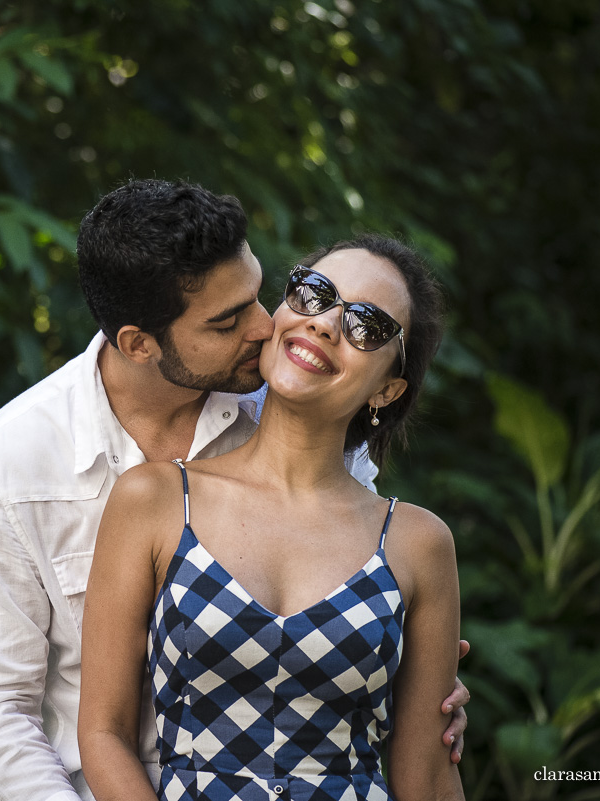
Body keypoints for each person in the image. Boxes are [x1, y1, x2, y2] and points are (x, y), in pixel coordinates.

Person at [0, 180, 468, 801]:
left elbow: (384, 663)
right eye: (229, 320)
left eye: (260, 295)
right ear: (139, 343)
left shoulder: (303, 411)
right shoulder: (15, 467)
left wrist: (422, 683)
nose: (269, 325)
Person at [78, 234, 463, 801]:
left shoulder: (417, 542)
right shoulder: (156, 500)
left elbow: (426, 777)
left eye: (367, 326)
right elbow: (103, 735)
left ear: (388, 388)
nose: (327, 324)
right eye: (314, 293)